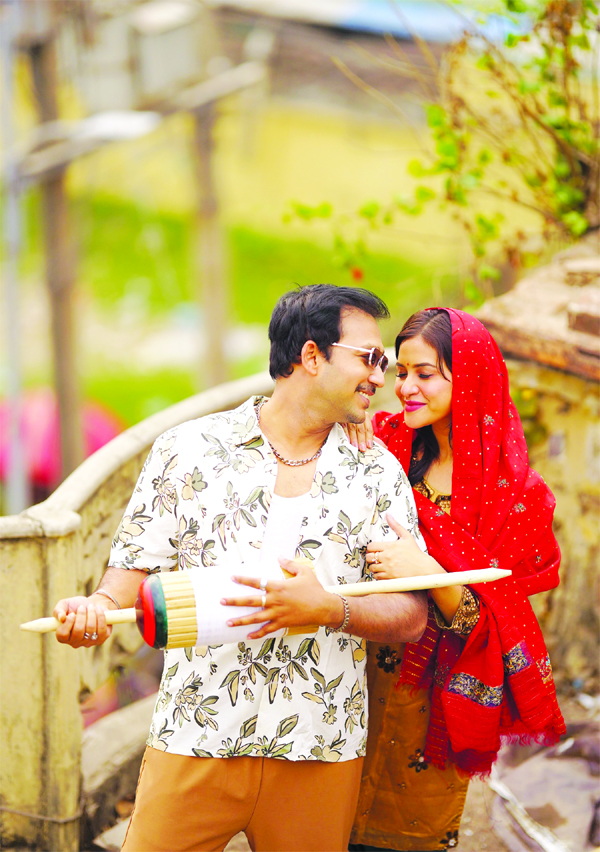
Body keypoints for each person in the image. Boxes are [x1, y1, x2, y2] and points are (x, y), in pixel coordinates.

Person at [53, 284, 430, 852]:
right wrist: (94, 610)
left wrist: (330, 608)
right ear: (311, 356)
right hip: (195, 734)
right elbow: (127, 575)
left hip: (318, 742)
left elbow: (411, 614)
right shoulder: (186, 451)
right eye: (369, 357)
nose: (382, 376)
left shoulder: (377, 473)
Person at [346, 308, 566, 852]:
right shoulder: (382, 448)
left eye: (425, 374)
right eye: (401, 372)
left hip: (433, 692)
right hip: (357, 667)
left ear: (470, 379)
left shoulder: (516, 496)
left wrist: (427, 572)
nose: (405, 388)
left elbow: (490, 623)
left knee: (406, 834)